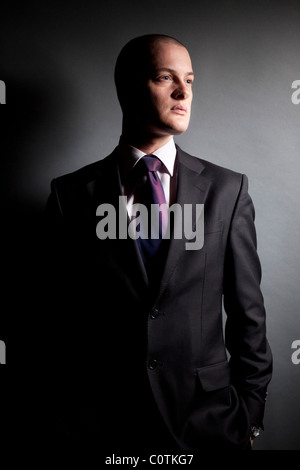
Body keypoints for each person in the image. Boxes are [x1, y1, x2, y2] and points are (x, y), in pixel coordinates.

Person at [41, 34, 272, 451]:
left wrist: (250, 417)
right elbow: (51, 319)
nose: (184, 92)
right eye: (166, 77)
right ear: (127, 88)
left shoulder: (227, 190)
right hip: (103, 427)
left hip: (208, 422)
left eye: (190, 80)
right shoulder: (70, 196)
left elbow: (248, 316)